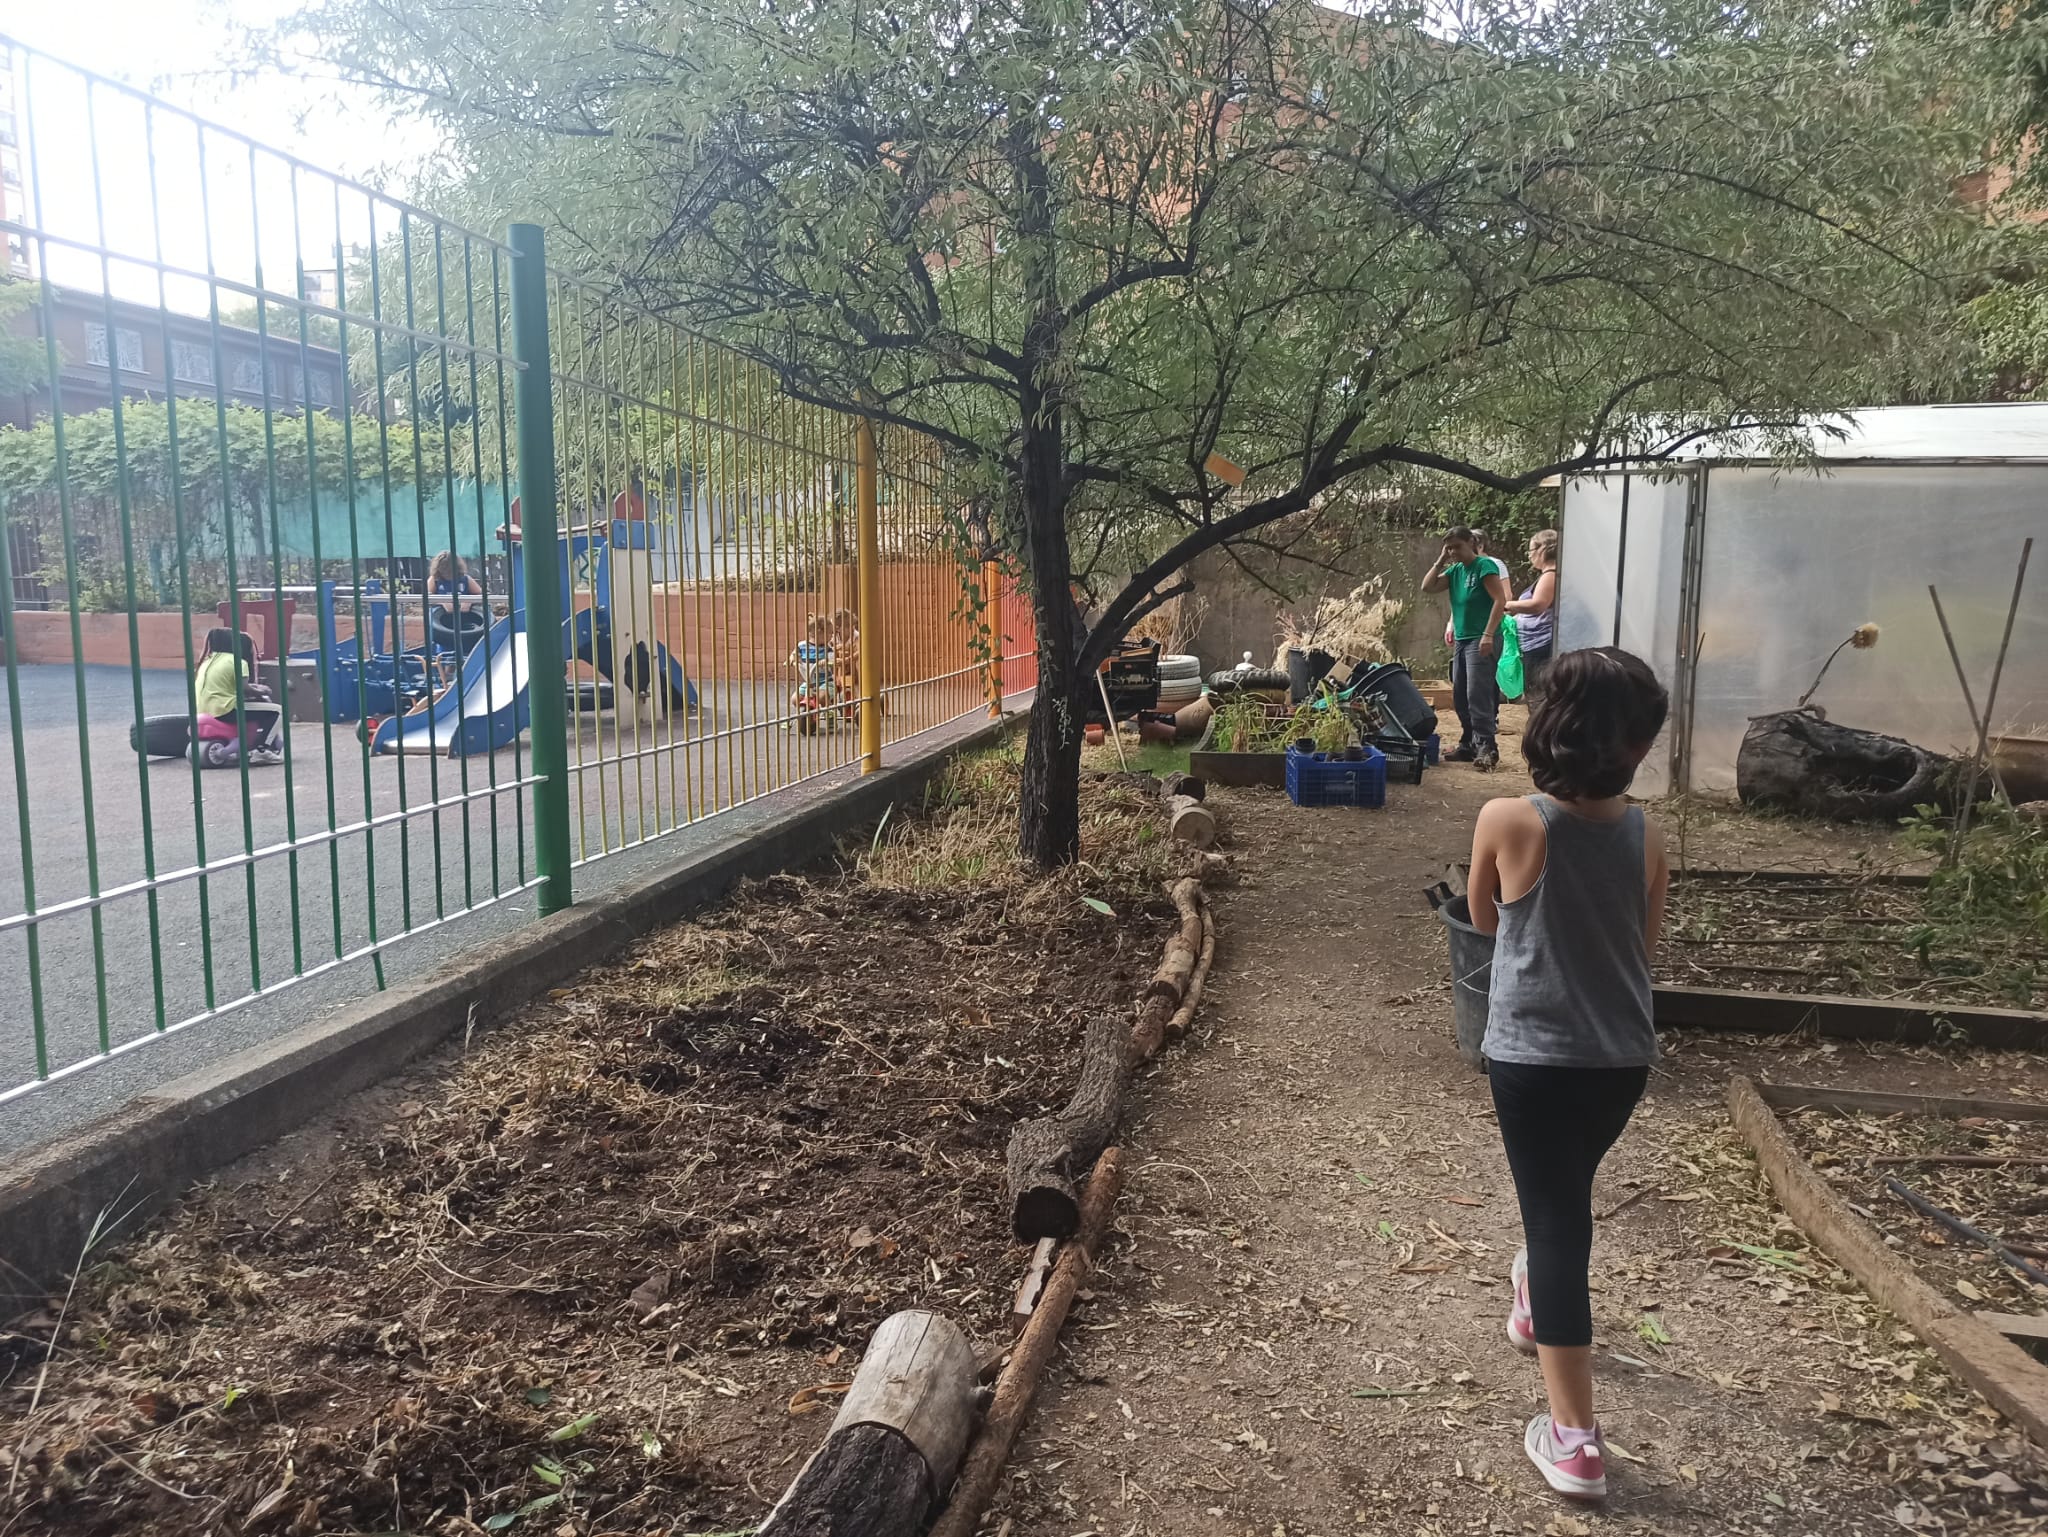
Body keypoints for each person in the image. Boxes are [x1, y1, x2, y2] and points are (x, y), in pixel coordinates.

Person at [1465, 647, 1671, 1503]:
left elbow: (1483, 918)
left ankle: (1576, 1439)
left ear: (1545, 725)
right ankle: (1531, 1291)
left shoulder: (1508, 819)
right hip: (1621, 1060)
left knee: (1557, 1225)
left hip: (1533, 1060)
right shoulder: (1647, 834)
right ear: (1638, 745)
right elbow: (1642, 945)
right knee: (1562, 1198)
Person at [1421, 526, 1507, 768]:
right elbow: (1427, 587)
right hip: (1463, 639)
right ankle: (1468, 743)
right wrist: (1441, 560)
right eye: (1449, 548)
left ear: (1471, 542)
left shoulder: (1484, 566)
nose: (1453, 552)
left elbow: (1500, 600)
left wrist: (1488, 634)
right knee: (1460, 695)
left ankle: (1487, 746)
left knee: (1477, 694)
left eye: (1457, 546)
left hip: (1482, 637)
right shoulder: (1456, 570)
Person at [193, 626, 283, 764]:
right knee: (277, 711)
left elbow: (228, 684)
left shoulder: (207, 661)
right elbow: (244, 689)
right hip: (226, 709)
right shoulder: (238, 662)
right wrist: (262, 691)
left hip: (204, 709)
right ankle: (262, 751)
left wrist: (254, 687)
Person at [1506, 529, 1559, 696]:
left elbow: (1538, 605)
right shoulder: (1548, 574)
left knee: (1537, 693)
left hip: (1542, 645)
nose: (1529, 555)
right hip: (1535, 644)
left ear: (1542, 549)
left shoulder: (1550, 575)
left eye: (1531, 550)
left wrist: (1507, 605)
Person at [427, 550, 485, 654]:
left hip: (463, 621)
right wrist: (442, 601)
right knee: (445, 650)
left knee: (467, 648)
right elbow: (427, 598)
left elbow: (480, 594)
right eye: (444, 571)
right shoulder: (434, 580)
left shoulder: (465, 579)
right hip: (443, 622)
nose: (447, 574)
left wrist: (468, 601)